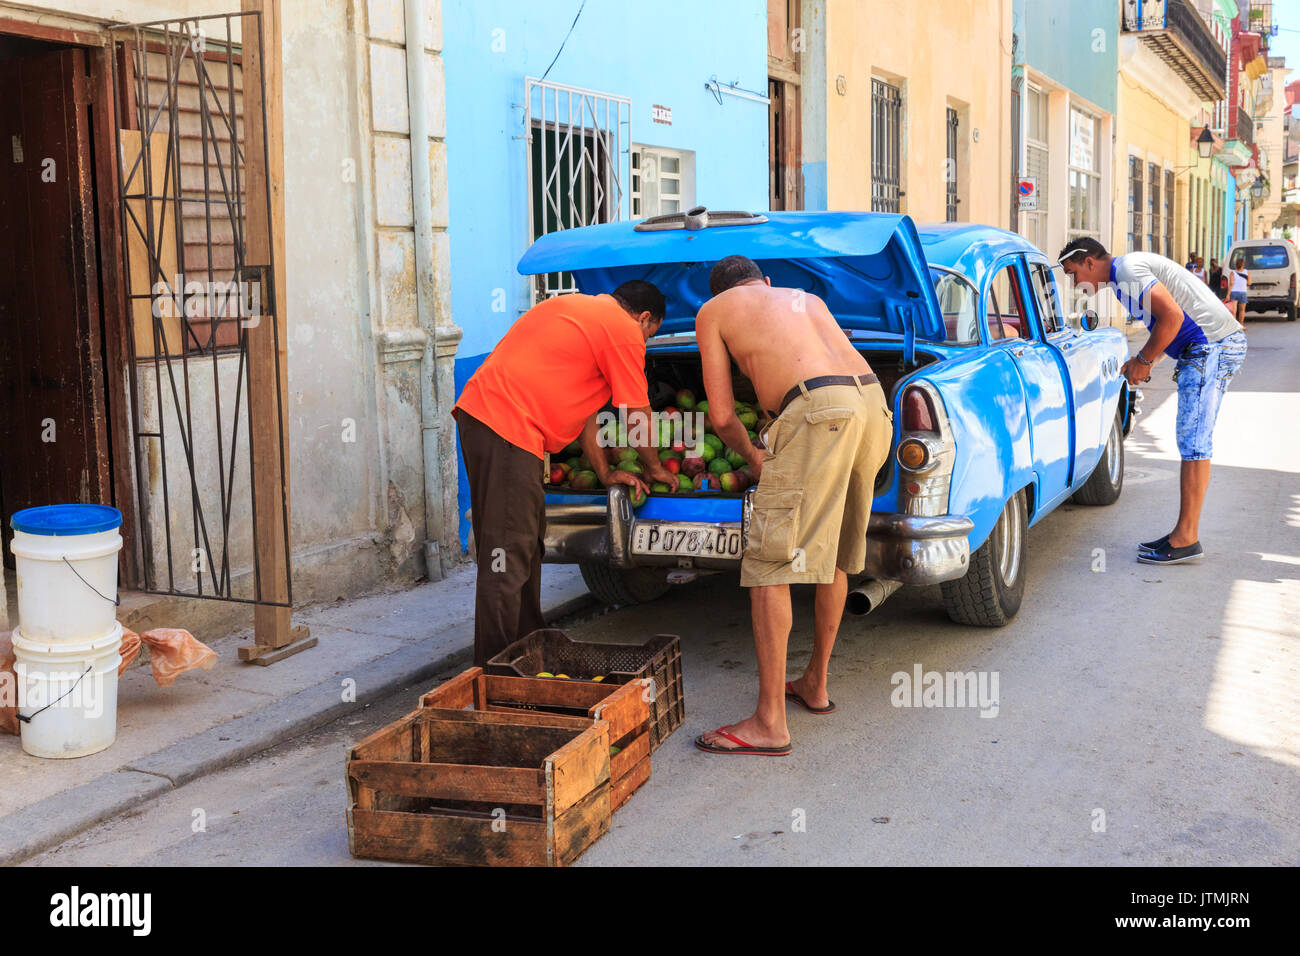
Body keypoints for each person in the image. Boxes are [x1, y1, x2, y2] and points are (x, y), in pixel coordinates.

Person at [691, 255, 893, 756]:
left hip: (819, 411)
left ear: (718, 292)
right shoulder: (805, 298)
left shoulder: (714, 311)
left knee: (768, 565)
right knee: (835, 555)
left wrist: (754, 455)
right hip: (872, 406)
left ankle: (769, 723)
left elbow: (719, 416)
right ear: (764, 281)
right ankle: (815, 684)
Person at [452, 281, 679, 664]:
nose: (643, 344)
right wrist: (655, 467)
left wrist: (605, 473)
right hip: (508, 426)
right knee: (507, 553)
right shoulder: (622, 329)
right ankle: (494, 675)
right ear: (643, 318)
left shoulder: (575, 309)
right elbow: (636, 412)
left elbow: (588, 413)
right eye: (650, 333)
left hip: (489, 419)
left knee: (526, 543)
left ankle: (529, 650)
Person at [1058, 237, 1247, 566]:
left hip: (1212, 346)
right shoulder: (1121, 280)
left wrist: (1143, 360)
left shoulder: (1128, 270)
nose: (1074, 284)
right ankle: (1181, 533)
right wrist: (1145, 362)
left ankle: (1186, 538)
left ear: (1089, 262)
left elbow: (1172, 317)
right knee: (1192, 441)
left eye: (1073, 273)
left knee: (1194, 443)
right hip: (1205, 348)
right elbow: (1167, 325)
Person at [1226, 256, 1250, 329]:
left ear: (1236, 264)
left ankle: (1234, 327)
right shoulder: (1247, 272)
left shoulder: (1232, 272)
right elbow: (1249, 283)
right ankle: (1241, 326)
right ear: (1243, 264)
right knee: (1242, 311)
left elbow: (1231, 284)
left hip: (1234, 292)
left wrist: (1228, 295)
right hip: (1243, 292)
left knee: (1234, 311)